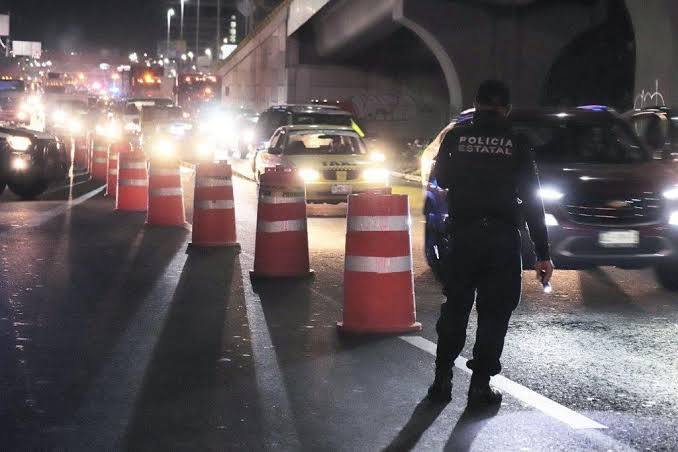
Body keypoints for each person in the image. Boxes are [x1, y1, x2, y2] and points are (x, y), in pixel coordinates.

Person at [427, 80, 554, 407]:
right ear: (506, 108)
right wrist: (543, 253)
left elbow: (440, 179)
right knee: (495, 313)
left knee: (455, 307)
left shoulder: (456, 137)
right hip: (500, 240)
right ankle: (479, 386)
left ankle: (441, 380)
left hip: (463, 236)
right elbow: (531, 199)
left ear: (477, 103)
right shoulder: (517, 142)